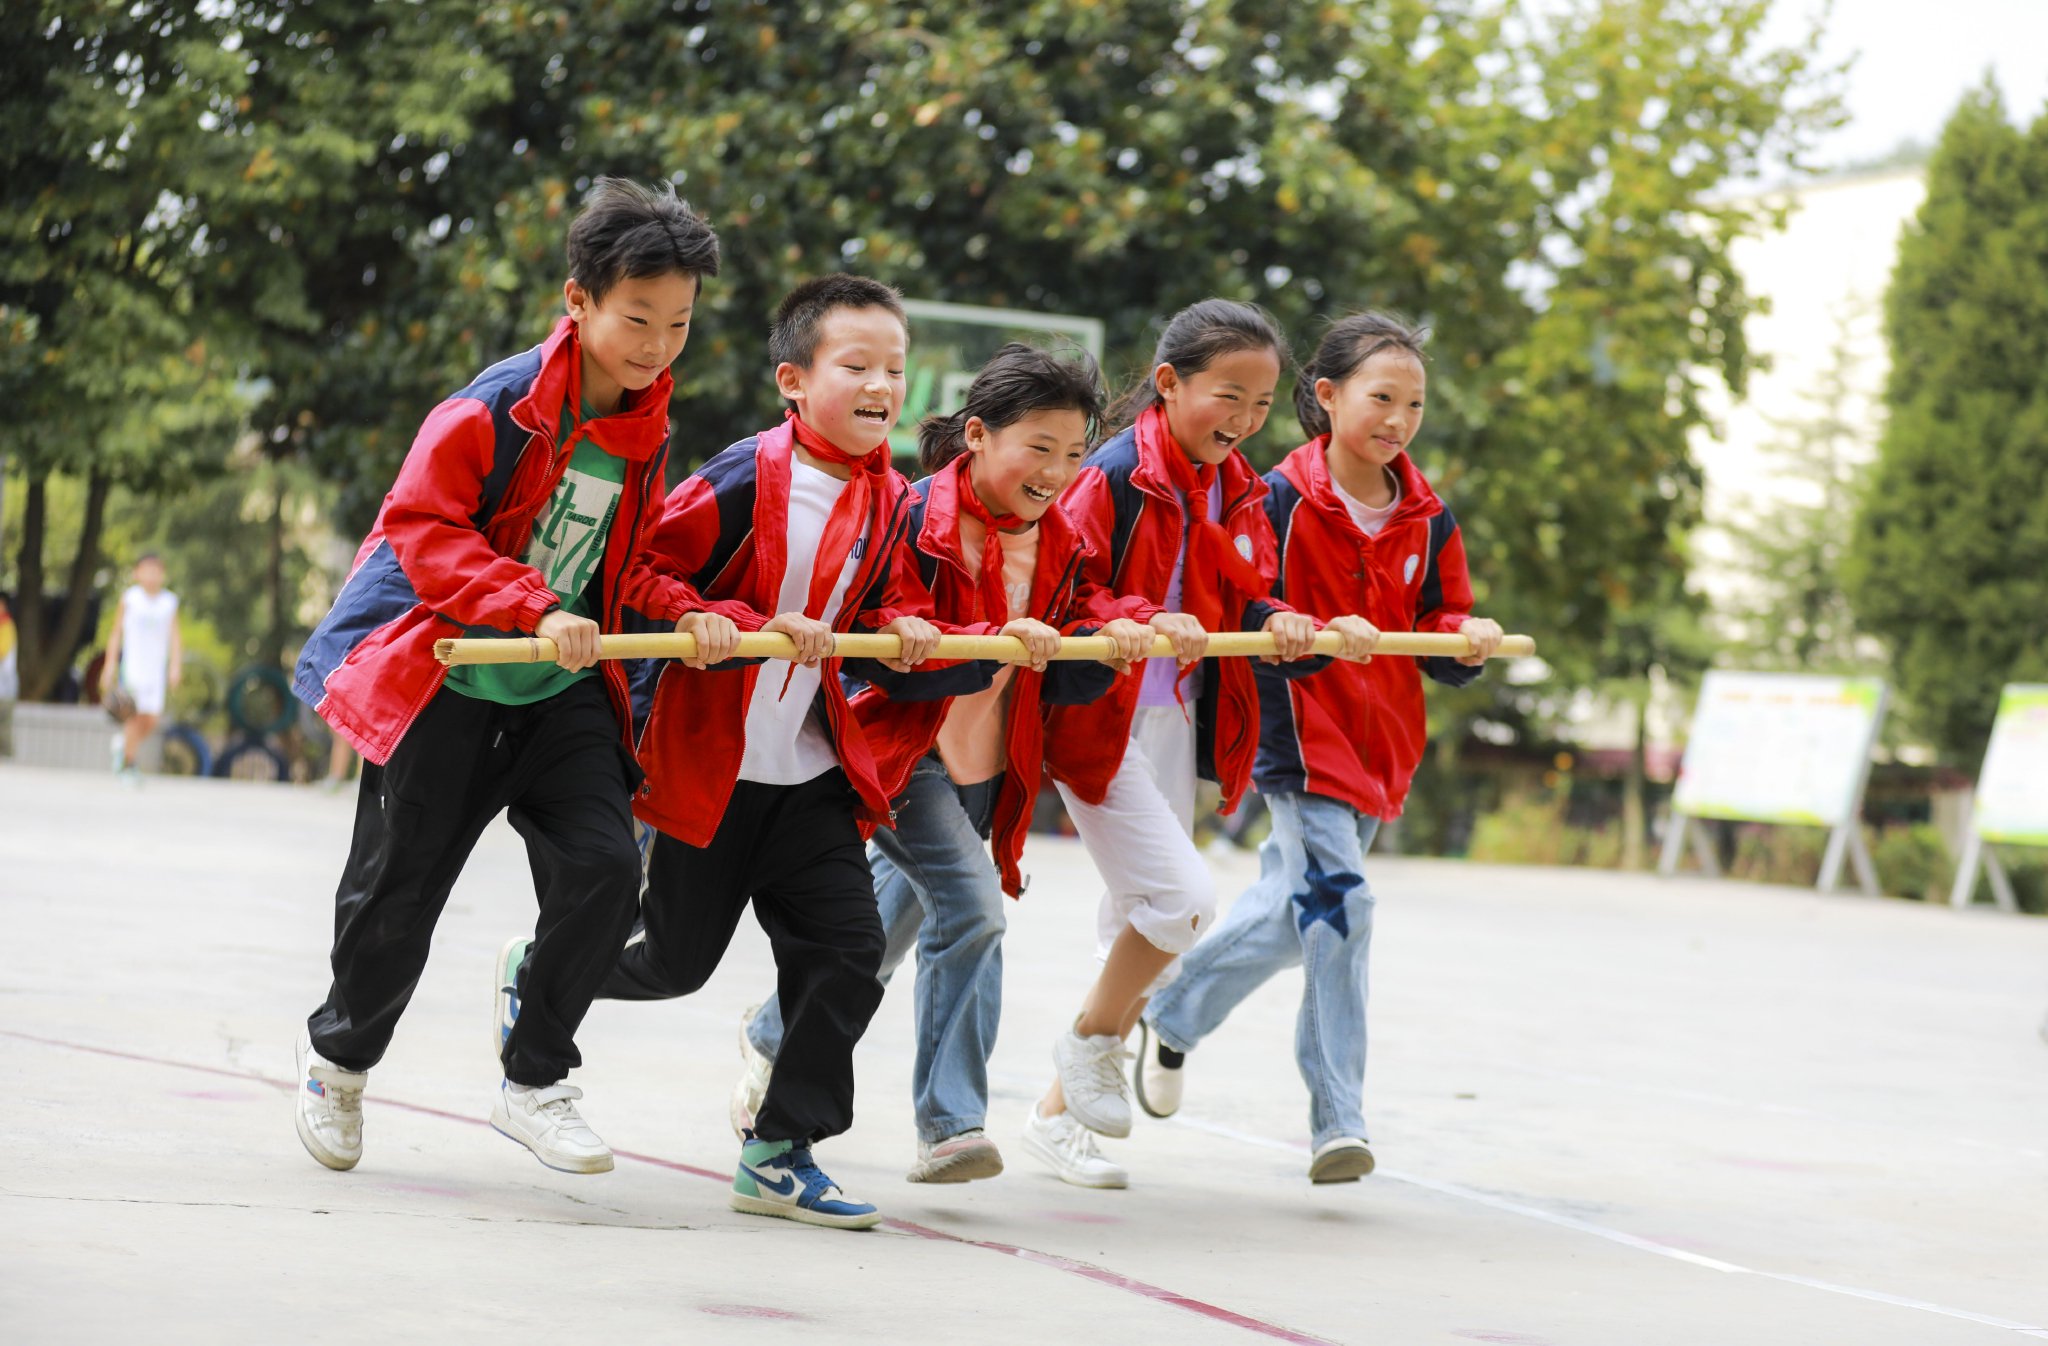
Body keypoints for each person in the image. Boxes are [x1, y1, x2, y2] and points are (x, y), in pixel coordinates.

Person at [287, 177, 732, 1178]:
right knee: (396, 899)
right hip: (455, 678)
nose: (656, 344)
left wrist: (696, 613)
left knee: (609, 870)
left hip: (561, 687)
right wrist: (532, 606)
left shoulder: (648, 425)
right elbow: (421, 529)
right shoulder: (491, 407)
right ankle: (338, 1062)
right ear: (576, 301)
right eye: (636, 319)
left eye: (678, 323)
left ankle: (534, 1076)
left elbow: (628, 562)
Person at [505, 274, 944, 1231]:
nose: (882, 387)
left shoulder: (892, 497)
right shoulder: (746, 472)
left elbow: (882, 598)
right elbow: (642, 570)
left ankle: (783, 1152)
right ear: (793, 378)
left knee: (849, 951)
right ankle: (541, 970)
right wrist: (715, 618)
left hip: (811, 775)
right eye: (857, 366)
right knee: (672, 964)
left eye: (896, 370)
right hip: (712, 767)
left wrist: (904, 624)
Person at [731, 344, 1160, 1185]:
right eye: (1037, 447)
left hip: (988, 762)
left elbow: (1091, 605)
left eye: (1074, 455)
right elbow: (878, 621)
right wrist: (959, 635)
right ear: (976, 435)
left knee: (887, 936)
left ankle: (771, 1034)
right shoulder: (914, 511)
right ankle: (952, 1125)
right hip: (905, 750)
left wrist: (1129, 623)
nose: (1058, 471)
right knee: (974, 912)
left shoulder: (1063, 534)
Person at [1137, 313, 1504, 1183]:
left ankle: (1175, 1011)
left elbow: (1437, 625)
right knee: (1344, 909)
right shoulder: (1274, 499)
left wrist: (1465, 636)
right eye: (1383, 397)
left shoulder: (1427, 515)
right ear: (1328, 397)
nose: (1399, 419)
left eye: (1414, 403)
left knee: (1294, 914)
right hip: (1299, 741)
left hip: (1383, 748)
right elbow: (1240, 601)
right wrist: (1284, 626)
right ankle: (1338, 1118)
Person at [1029, 300, 1377, 1187]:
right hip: (1096, 720)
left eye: (1262, 404)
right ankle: (1088, 1045)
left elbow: (1241, 589)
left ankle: (1052, 1122)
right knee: (1181, 904)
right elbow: (1067, 589)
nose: (1247, 420)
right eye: (1231, 396)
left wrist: (1281, 618)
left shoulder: (1230, 484)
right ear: (1171, 381)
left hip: (1171, 716)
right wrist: (1146, 617)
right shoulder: (1109, 472)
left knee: (1137, 922)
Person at [100, 554, 182, 782]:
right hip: (133, 669)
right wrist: (109, 664)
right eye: (147, 570)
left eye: (156, 570)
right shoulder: (130, 599)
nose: (152, 575)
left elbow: (175, 637)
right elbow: (116, 633)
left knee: (151, 719)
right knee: (133, 717)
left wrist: (175, 665)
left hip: (155, 671)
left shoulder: (169, 602)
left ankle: (123, 747)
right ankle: (128, 764)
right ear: (137, 573)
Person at [0, 592, 17, 759]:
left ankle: (6, 759)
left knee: (3, 727)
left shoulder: (6, 625)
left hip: (4, 687)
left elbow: (2, 651)